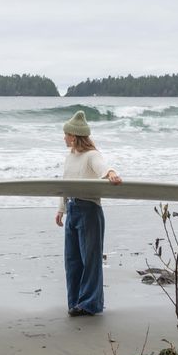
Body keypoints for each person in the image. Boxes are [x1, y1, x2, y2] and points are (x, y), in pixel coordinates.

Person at [55, 110, 122, 316]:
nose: (64, 137)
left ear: (74, 136)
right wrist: (61, 209)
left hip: (89, 210)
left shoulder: (92, 155)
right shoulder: (70, 157)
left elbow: (103, 167)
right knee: (72, 259)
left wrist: (111, 174)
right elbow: (65, 184)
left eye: (66, 134)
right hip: (73, 209)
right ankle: (75, 301)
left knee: (90, 260)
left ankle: (90, 304)